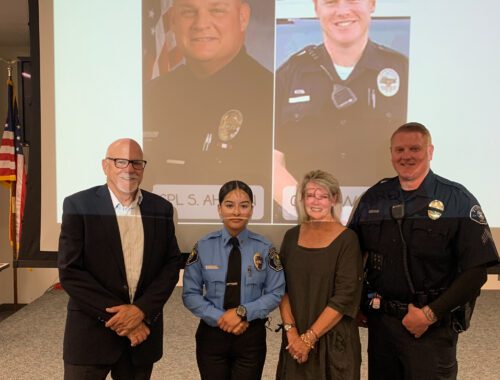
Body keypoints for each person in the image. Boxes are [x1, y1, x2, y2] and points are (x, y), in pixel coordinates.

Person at [349, 122, 500, 379]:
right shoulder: (373, 198)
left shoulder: (458, 200)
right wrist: (356, 304)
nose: (406, 155)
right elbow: (351, 256)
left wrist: (429, 315)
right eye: (400, 149)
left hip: (432, 324)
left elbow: (476, 273)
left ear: (430, 151)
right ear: (391, 153)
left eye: (415, 148)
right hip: (383, 324)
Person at [58, 138, 182, 380]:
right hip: (91, 334)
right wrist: (126, 319)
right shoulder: (78, 205)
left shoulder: (161, 209)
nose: (129, 169)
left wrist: (141, 311)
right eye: (120, 162)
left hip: (142, 337)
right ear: (105, 166)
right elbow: (71, 272)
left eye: (136, 163)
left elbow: (170, 265)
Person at [274, 0, 408, 218]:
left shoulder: (403, 70)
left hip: (383, 222)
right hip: (307, 227)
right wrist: (309, 210)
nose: (343, 10)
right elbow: (271, 161)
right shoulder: (289, 74)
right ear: (316, 7)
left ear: (372, 4)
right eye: (331, 2)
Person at [143, 0, 274, 220]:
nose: (201, 24)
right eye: (188, 12)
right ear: (173, 20)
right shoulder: (151, 95)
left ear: (243, 17)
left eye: (217, 10)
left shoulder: (272, 94)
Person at [182, 180, 285, 380]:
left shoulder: (264, 248)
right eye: (229, 205)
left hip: (250, 333)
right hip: (212, 334)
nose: (236, 211)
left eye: (244, 205)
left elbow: (276, 292)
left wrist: (242, 313)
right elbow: (190, 293)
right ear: (219, 209)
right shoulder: (203, 246)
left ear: (252, 210)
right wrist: (221, 318)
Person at [276, 170, 363, 379]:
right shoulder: (291, 236)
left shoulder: (348, 240)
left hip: (334, 343)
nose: (316, 201)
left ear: (334, 199)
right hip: (294, 343)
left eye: (323, 196)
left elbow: (344, 297)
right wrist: (291, 333)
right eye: (310, 195)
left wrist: (309, 339)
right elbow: (280, 287)